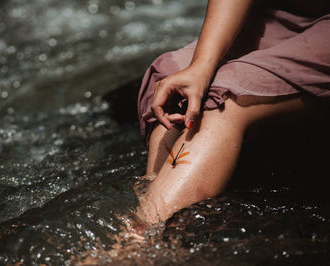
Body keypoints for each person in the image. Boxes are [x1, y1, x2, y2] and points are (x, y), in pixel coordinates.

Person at [135, 0, 330, 225]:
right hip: (270, 13)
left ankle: (140, 239)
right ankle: (151, 206)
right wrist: (201, 66)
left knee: (221, 101)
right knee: (173, 82)